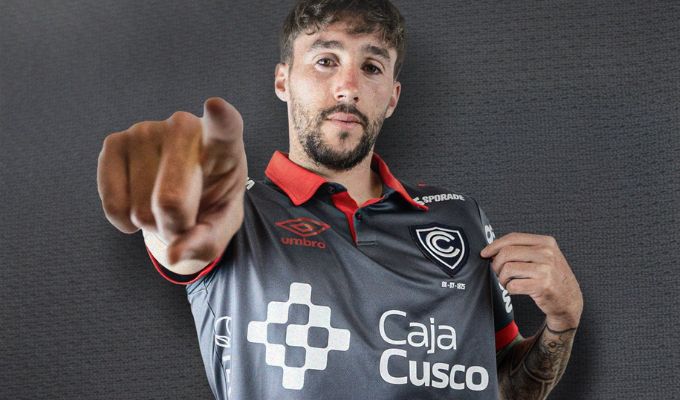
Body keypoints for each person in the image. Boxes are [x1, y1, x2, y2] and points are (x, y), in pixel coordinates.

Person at [97, 0, 583, 399]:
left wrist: (562, 322)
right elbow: (183, 237)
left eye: (371, 67)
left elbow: (504, 385)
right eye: (326, 61)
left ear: (391, 97)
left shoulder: (459, 217)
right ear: (283, 80)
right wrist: (166, 203)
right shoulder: (236, 213)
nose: (348, 87)